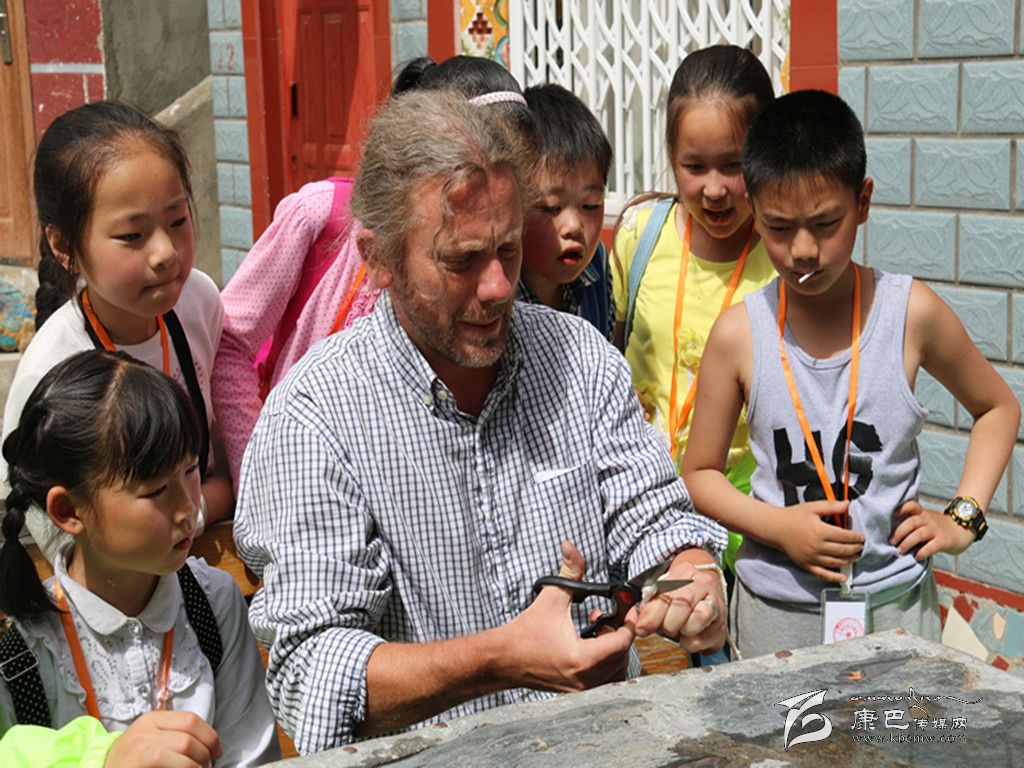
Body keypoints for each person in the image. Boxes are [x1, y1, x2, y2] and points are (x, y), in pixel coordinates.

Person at [233, 90, 729, 754]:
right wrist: (500, 658)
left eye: (508, 249)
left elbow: (655, 522)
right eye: (460, 261)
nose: (496, 287)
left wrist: (689, 580)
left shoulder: (580, 361)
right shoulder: (316, 418)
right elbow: (313, 675)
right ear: (378, 259)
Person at [680, 90, 1020, 659]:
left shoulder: (910, 314)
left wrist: (963, 519)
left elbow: (998, 408)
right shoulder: (739, 334)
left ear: (862, 202)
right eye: (778, 227)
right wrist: (777, 527)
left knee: (896, 721)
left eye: (826, 223)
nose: (803, 250)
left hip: (895, 608)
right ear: (754, 213)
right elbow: (700, 473)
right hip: (775, 615)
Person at [212, 55, 534, 490]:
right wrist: (260, 471)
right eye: (459, 258)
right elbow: (231, 341)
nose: (496, 285)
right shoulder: (319, 216)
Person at [0, 350, 280, 766]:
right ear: (69, 511)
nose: (188, 510)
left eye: (191, 470)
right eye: (156, 491)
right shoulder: (25, 650)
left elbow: (249, 754)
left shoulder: (213, 604)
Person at [1, 101, 232, 560]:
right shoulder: (51, 370)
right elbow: (60, 543)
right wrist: (213, 500)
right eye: (132, 236)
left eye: (177, 220)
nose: (165, 253)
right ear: (64, 246)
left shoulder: (199, 302)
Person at [611, 46, 777, 593]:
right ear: (671, 157)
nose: (714, 189)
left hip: (747, 522)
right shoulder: (639, 237)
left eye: (734, 165)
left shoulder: (783, 260)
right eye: (695, 166)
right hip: (641, 514)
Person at [519, 83, 615, 341]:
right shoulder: (496, 293)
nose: (573, 226)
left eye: (590, 205)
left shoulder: (597, 265)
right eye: (551, 208)